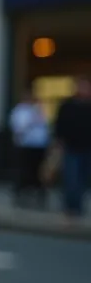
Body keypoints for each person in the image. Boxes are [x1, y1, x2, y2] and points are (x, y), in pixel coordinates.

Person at [51, 75, 91, 225]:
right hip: (71, 147)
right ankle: (70, 207)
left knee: (83, 178)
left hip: (87, 148)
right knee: (71, 178)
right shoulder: (67, 105)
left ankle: (78, 207)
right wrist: (58, 143)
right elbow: (59, 125)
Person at [8, 86, 49, 209]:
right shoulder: (19, 111)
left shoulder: (38, 110)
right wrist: (31, 120)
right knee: (24, 170)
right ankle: (20, 192)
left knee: (38, 170)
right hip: (25, 145)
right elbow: (19, 128)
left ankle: (38, 193)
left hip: (39, 145)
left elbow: (44, 126)